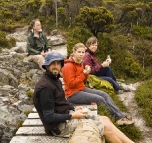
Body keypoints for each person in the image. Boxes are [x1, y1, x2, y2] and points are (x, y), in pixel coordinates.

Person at [33, 51, 135, 143]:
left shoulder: (55, 80)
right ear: (46, 66)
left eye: (58, 63)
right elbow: (49, 117)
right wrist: (73, 116)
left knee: (105, 119)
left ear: (61, 65)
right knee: (105, 127)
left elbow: (60, 102)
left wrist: (73, 108)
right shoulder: (45, 87)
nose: (55, 66)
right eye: (52, 63)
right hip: (59, 127)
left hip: (66, 117)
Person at [62, 43, 134, 126]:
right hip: (72, 94)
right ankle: (117, 119)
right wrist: (83, 74)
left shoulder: (80, 63)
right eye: (79, 52)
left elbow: (83, 81)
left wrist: (86, 74)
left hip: (81, 88)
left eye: (83, 52)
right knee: (100, 99)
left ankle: (121, 115)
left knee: (104, 94)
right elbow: (71, 85)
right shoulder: (68, 66)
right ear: (74, 52)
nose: (81, 54)